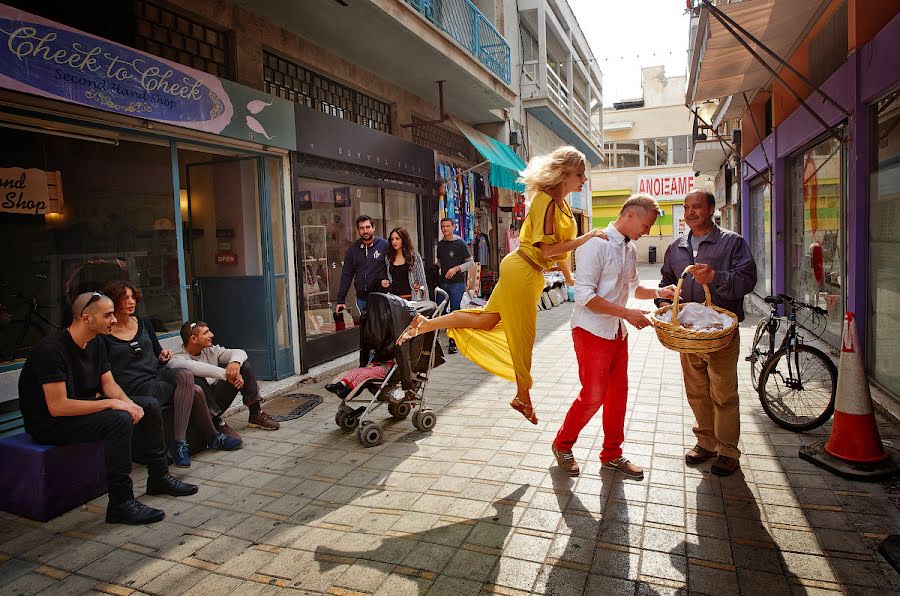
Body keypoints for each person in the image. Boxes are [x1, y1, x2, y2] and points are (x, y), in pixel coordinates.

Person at [397, 146, 606, 424]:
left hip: (524, 270)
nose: (584, 180)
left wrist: (570, 279)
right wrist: (587, 237)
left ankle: (424, 323)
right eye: (580, 174)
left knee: (485, 320)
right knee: (523, 337)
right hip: (524, 270)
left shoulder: (563, 205)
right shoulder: (546, 200)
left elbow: (560, 251)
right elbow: (546, 249)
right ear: (564, 173)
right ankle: (523, 396)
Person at [18, 292, 198, 525]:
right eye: (108, 315)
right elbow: (58, 407)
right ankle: (120, 504)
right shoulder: (51, 350)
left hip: (80, 408)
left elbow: (109, 384)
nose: (114, 319)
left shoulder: (96, 342)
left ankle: (159, 477)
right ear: (86, 319)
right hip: (50, 423)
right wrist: (116, 405)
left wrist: (130, 404)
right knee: (119, 419)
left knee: (149, 404)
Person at [552, 195, 676, 480]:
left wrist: (660, 292)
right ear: (630, 214)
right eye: (645, 225)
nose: (646, 232)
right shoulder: (594, 243)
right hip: (590, 330)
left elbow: (634, 287)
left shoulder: (629, 249)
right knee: (593, 395)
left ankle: (612, 455)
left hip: (616, 332)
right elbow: (584, 296)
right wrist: (627, 313)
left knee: (618, 395)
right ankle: (562, 444)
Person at [658, 189, 757, 476]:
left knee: (724, 394)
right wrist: (664, 301)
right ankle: (706, 442)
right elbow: (667, 280)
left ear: (711, 209)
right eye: (686, 207)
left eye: (697, 207)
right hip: (687, 334)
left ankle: (727, 450)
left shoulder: (732, 243)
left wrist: (715, 277)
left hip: (720, 334)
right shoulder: (676, 246)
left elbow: (747, 279)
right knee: (697, 392)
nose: (690, 212)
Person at [101, 281, 241, 468]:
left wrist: (163, 355)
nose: (130, 301)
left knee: (186, 375)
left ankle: (181, 442)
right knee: (196, 389)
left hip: (155, 375)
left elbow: (158, 353)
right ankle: (211, 437)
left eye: (132, 297)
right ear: (112, 302)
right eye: (124, 298)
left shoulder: (143, 323)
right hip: (133, 384)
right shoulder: (105, 334)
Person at [168, 322, 280, 436]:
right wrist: (228, 374)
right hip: (199, 409)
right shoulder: (176, 357)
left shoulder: (210, 350)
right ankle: (216, 423)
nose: (211, 335)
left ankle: (255, 414)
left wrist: (235, 362)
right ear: (193, 338)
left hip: (215, 399)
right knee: (197, 378)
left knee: (243, 366)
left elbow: (239, 352)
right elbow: (196, 368)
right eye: (206, 332)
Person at [435, 217, 475, 354]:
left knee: (455, 311)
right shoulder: (440, 245)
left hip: (457, 283)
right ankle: (437, 341)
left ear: (453, 227)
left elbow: (471, 263)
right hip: (443, 283)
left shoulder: (461, 243)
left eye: (447, 226)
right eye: (443, 227)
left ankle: (453, 342)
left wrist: (456, 268)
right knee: (440, 312)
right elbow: (440, 262)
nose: (445, 229)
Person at [335, 215, 389, 316]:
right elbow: (346, 275)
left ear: (373, 227)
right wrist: (341, 300)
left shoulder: (385, 245)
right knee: (366, 329)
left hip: (381, 298)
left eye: (368, 227)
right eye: (362, 228)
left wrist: (388, 282)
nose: (365, 231)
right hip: (362, 300)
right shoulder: (353, 250)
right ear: (358, 230)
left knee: (382, 330)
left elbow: (394, 267)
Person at [381, 226, 428, 301]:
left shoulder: (414, 256)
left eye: (397, 238)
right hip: (394, 299)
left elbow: (421, 280)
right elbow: (388, 277)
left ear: (404, 239)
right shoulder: (388, 257)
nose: (394, 242)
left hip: (412, 298)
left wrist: (424, 301)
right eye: (392, 239)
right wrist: (385, 282)